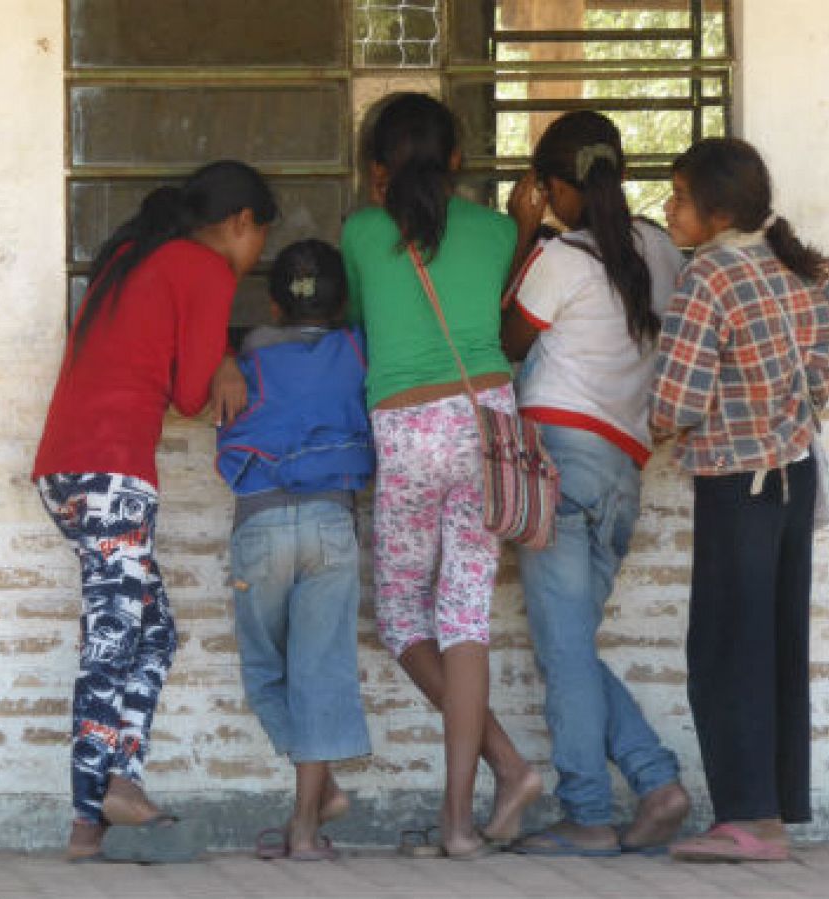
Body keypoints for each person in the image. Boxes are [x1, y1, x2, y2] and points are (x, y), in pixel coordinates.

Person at [32, 159, 277, 863]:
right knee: (114, 641)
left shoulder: (129, 259)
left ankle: (119, 783)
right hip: (112, 473)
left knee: (154, 634)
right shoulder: (204, 269)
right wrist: (228, 360)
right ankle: (88, 818)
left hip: (68, 470)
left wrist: (220, 349)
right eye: (259, 236)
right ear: (240, 224)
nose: (256, 254)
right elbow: (193, 395)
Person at [650, 137, 829, 863]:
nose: (668, 210)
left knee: (724, 646)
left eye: (678, 197)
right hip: (793, 474)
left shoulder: (708, 277)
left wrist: (652, 424)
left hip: (739, 483)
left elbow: (675, 402)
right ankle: (768, 811)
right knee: (774, 640)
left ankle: (745, 815)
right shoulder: (792, 266)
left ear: (714, 212)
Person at [342, 92, 541, 859]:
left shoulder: (362, 230)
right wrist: (522, 228)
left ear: (379, 169)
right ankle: (466, 816)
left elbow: (360, 315)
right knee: (464, 618)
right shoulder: (496, 230)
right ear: (458, 159)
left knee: (401, 617)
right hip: (488, 421)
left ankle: (508, 768)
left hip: (407, 427)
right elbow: (494, 311)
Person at [500, 112, 691, 857]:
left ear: (551, 185)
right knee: (571, 643)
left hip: (557, 459)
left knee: (566, 649)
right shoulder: (662, 248)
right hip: (624, 468)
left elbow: (506, 338)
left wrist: (521, 235)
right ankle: (652, 781)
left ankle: (591, 808)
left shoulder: (560, 258)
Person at [214, 240, 373, 862]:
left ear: (274, 303)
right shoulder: (358, 349)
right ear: (343, 304)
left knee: (265, 671)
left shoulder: (245, 354)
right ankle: (310, 820)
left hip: (262, 524)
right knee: (322, 674)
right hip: (332, 522)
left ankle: (317, 794)